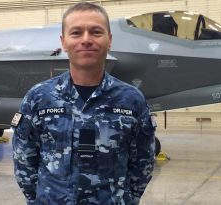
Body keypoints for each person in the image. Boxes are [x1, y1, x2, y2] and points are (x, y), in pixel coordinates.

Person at [11, 2, 156, 205]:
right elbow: (24, 159)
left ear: (109, 40)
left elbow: (143, 162)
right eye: (76, 33)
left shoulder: (132, 100)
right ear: (64, 41)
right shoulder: (38, 97)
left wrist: (128, 200)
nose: (86, 40)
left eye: (96, 32)